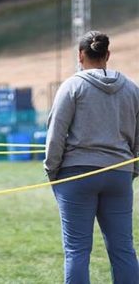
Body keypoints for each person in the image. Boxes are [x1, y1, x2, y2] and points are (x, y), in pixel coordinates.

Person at [45, 31, 139, 284]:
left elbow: (56, 134)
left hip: (77, 174)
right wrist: (132, 171)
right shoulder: (132, 88)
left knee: (77, 250)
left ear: (80, 55)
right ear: (107, 55)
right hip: (119, 173)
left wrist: (52, 172)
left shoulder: (72, 86)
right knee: (123, 249)